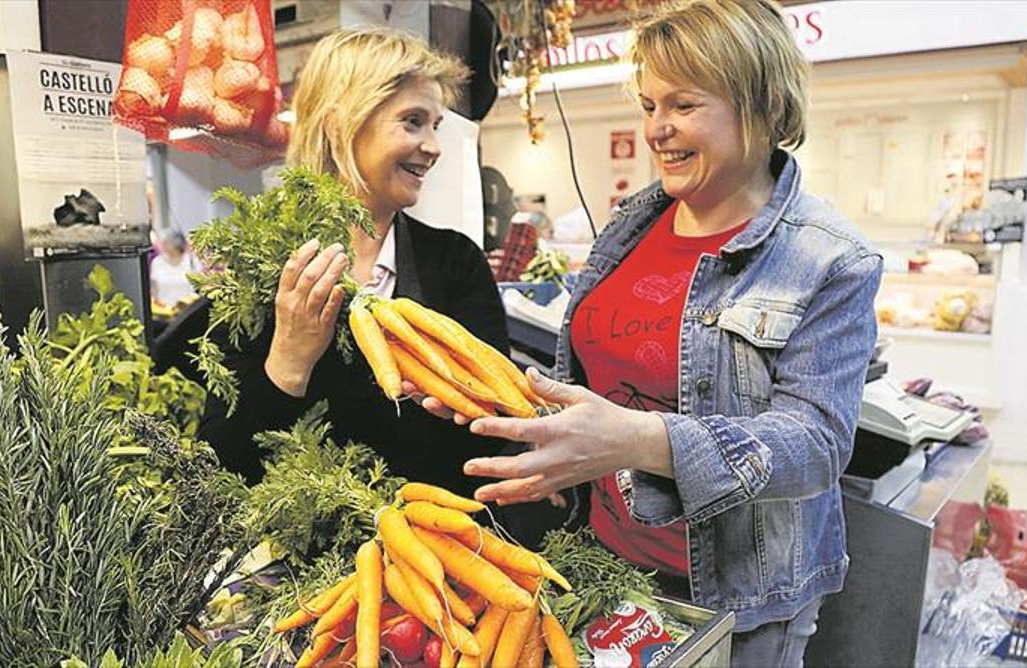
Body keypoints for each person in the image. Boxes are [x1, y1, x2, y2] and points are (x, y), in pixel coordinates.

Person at [429, 1, 883, 665]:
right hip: (603, 562)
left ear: (761, 104)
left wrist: (637, 441)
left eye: (683, 105)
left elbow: (816, 444)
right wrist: (519, 417)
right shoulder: (632, 223)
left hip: (735, 596)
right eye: (648, 105)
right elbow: (602, 381)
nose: (656, 130)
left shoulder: (829, 257)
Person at [197, 27, 510, 497]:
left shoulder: (454, 263)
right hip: (296, 561)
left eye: (435, 125)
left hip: (436, 547)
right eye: (412, 121)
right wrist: (288, 358)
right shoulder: (259, 271)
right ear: (341, 125)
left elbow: (499, 428)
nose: (434, 146)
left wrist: (464, 401)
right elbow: (222, 465)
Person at [149, 229, 201, 308]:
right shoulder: (157, 262)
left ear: (176, 245)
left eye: (167, 242)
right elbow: (153, 288)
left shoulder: (193, 262)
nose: (163, 243)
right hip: (164, 310)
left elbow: (200, 286)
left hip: (188, 310)